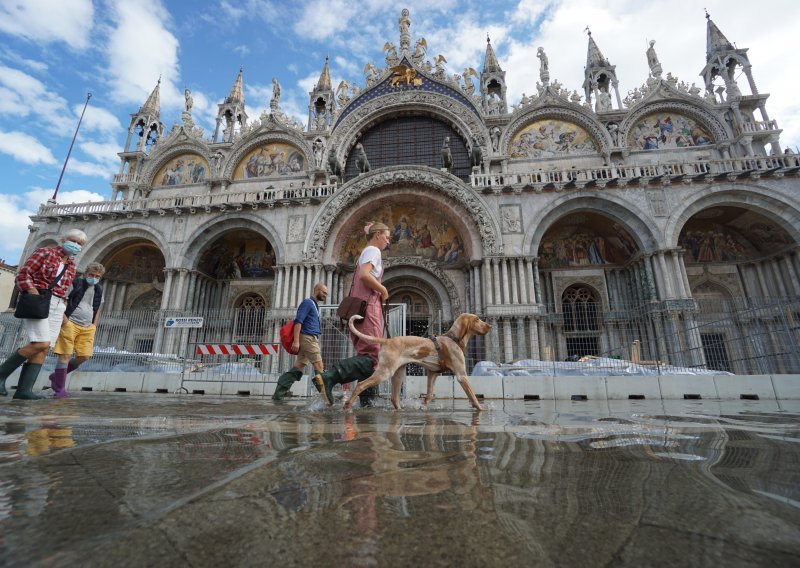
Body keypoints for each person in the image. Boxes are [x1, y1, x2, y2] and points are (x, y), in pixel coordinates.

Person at [0, 229, 86, 399]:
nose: (75, 245)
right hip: (39, 299)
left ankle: (24, 390)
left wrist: (63, 306)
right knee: (40, 342)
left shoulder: (72, 265)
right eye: (73, 240)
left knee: (45, 347)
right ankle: (1, 374)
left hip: (57, 305)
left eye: (79, 244)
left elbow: (65, 289)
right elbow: (23, 274)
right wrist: (32, 290)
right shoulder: (45, 252)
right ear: (64, 240)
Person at [321, 222, 391, 407]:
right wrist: (383, 289)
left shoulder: (367, 252)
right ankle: (329, 377)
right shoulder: (373, 251)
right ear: (377, 235)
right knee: (372, 356)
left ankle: (368, 401)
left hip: (361, 308)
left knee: (368, 354)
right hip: (368, 308)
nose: (388, 240)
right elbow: (364, 276)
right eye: (386, 236)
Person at [47, 262, 105, 397]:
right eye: (91, 275)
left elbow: (97, 309)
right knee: (65, 355)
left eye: (97, 276)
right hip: (70, 323)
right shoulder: (76, 283)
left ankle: (56, 376)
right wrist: (64, 319)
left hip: (87, 327)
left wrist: (94, 325)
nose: (94, 278)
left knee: (84, 356)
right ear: (85, 273)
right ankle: (60, 389)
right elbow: (62, 299)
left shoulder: (99, 289)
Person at [272, 282, 329, 402]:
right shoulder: (308, 303)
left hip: (309, 338)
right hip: (307, 338)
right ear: (316, 290)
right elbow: (298, 321)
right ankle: (326, 397)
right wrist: (296, 341)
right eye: (324, 292)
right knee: (319, 365)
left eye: (326, 293)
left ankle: (278, 395)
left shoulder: (314, 305)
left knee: (299, 367)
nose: (325, 295)